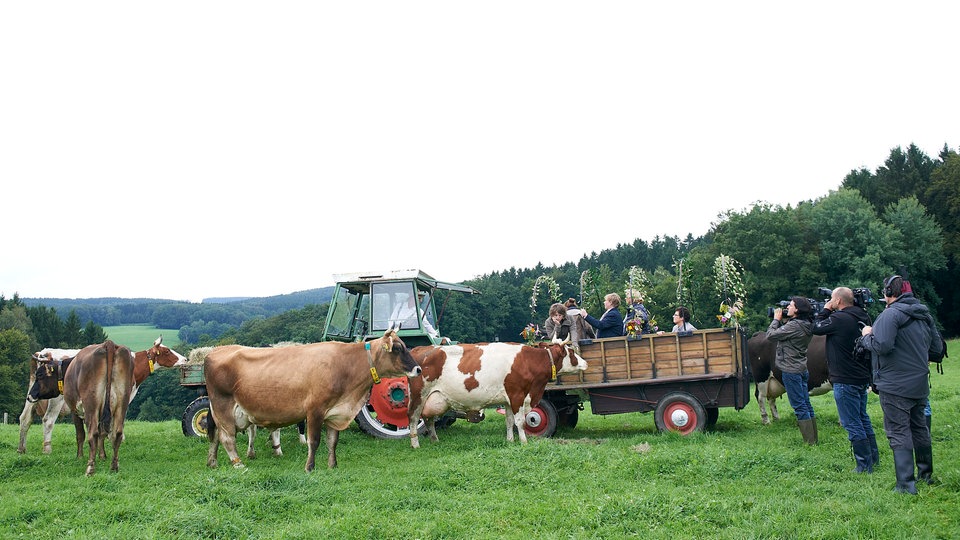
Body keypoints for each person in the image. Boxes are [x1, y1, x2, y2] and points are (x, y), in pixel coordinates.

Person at [860, 274, 943, 494]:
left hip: (894, 385)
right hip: (919, 384)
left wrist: (866, 335)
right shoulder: (924, 314)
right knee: (919, 428)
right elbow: (936, 350)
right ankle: (926, 475)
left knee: (898, 431)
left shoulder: (891, 314)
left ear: (888, 292)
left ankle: (906, 485)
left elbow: (882, 345)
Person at [811, 287, 876, 472]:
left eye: (832, 299)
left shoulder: (839, 319)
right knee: (863, 418)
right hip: (861, 376)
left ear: (838, 301)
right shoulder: (862, 316)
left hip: (845, 378)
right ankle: (873, 458)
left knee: (852, 421)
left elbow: (815, 328)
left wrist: (825, 310)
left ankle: (864, 465)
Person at [767, 296, 817, 445]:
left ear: (797, 310)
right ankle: (814, 439)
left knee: (799, 406)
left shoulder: (794, 326)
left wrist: (776, 319)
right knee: (806, 404)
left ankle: (810, 443)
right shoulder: (805, 324)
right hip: (801, 368)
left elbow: (770, 335)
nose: (788, 307)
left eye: (791, 305)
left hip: (791, 371)